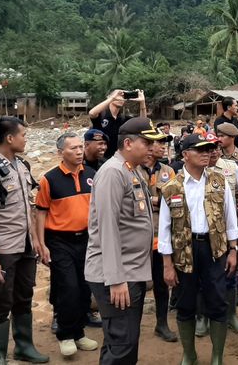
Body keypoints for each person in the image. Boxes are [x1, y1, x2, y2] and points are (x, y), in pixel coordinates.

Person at [84, 117, 164, 364]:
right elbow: (107, 228)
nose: (151, 147)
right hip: (119, 276)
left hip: (130, 271)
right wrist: (116, 279)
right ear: (128, 143)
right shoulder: (112, 172)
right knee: (122, 344)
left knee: (119, 341)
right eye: (146, 142)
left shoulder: (130, 170)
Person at [158, 134, 238, 365]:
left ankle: (217, 356)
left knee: (217, 301)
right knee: (185, 303)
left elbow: (230, 217)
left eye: (208, 149)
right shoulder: (171, 187)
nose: (207, 153)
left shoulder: (218, 180)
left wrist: (233, 250)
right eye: (200, 150)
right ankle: (190, 354)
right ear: (185, 155)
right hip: (184, 251)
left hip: (214, 250)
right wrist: (167, 265)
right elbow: (164, 228)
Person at [0, 116, 47, 364]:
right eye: (23, 135)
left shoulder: (22, 166)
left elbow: (29, 209)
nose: (26, 139)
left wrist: (35, 239)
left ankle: (24, 346)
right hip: (2, 249)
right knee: (0, 301)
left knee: (24, 297)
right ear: (10, 138)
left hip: (25, 246)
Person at [34, 133, 99, 357]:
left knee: (83, 288)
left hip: (87, 241)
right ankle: (65, 335)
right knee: (67, 288)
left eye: (81, 147)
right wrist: (41, 243)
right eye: (73, 148)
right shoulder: (49, 179)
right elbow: (40, 213)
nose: (79, 151)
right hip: (60, 241)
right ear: (61, 152)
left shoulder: (92, 175)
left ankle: (79, 333)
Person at [138, 132, 178, 343]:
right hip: (137, 240)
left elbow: (174, 199)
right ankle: (131, 326)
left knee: (162, 284)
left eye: (165, 143)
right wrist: (154, 200)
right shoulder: (132, 169)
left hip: (160, 238)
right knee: (136, 285)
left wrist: (156, 200)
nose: (163, 147)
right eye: (159, 143)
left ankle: (161, 324)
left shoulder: (168, 171)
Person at [208, 135, 238, 334]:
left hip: (230, 228)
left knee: (231, 268)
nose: (213, 151)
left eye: (216, 147)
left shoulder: (231, 167)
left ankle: (231, 315)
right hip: (206, 230)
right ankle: (203, 316)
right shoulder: (199, 169)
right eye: (209, 148)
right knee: (205, 272)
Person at [89, 89, 147, 159]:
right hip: (100, 158)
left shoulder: (123, 119)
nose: (120, 98)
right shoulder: (101, 115)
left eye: (123, 96)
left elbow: (143, 123)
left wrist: (142, 102)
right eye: (118, 95)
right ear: (109, 97)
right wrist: (112, 98)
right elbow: (92, 113)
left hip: (117, 158)